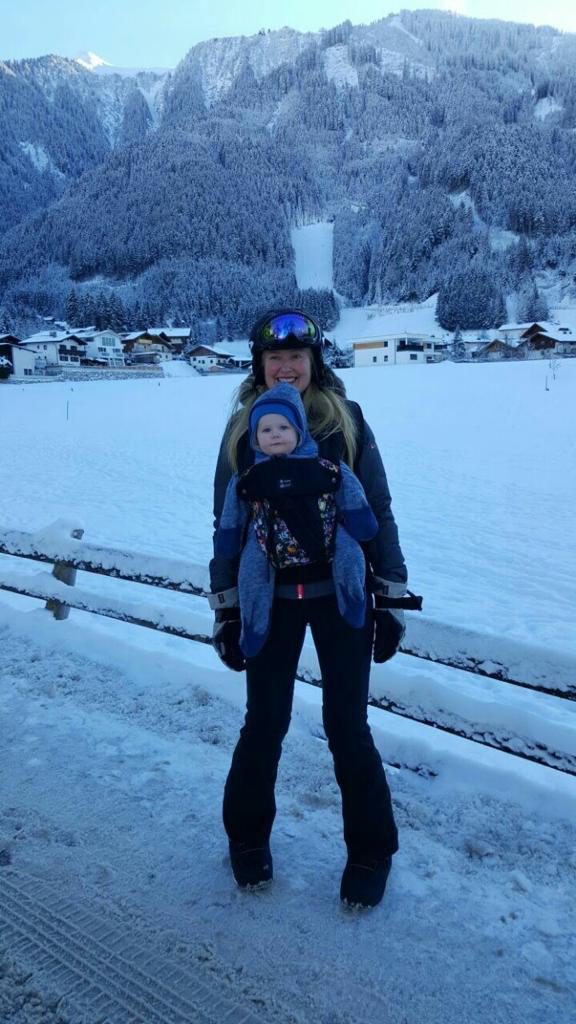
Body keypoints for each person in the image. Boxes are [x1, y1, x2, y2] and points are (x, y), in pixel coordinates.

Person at [209, 309, 420, 909]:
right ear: (260, 364)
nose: (286, 366)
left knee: (348, 727)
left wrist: (392, 595)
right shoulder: (243, 429)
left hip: (341, 599)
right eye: (275, 358)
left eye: (297, 357)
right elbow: (225, 526)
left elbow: (376, 507)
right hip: (269, 602)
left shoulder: (346, 421)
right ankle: (247, 838)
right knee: (265, 723)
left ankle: (372, 849)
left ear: (314, 361)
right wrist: (226, 608)